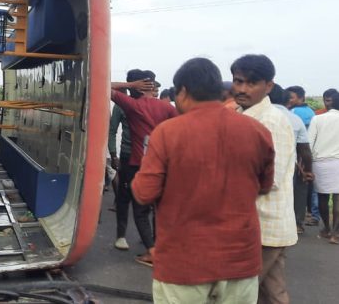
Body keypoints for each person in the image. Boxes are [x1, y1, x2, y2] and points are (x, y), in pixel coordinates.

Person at [132, 58, 274, 303]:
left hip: (184, 262)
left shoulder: (167, 132)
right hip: (239, 260)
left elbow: (144, 193)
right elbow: (264, 186)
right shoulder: (257, 131)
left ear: (183, 91)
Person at [231, 54, 297, 303]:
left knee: (237, 294)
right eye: (238, 81)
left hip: (263, 224)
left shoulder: (271, 121)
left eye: (251, 83)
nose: (242, 89)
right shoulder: (243, 114)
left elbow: (271, 179)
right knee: (272, 293)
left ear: (268, 86)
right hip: (261, 225)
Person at [110, 69, 179, 267]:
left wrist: (130, 86)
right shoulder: (167, 108)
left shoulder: (133, 105)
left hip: (138, 164)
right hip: (164, 164)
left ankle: (152, 252)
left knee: (140, 210)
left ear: (139, 86)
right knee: (160, 208)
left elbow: (101, 85)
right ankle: (161, 246)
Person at [308, 92, 339, 244]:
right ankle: (335, 234)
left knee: (322, 196)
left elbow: (309, 143)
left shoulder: (318, 119)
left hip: (320, 162)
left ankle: (326, 228)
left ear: (332, 103)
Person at [270, 84, 314, 235]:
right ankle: (297, 223)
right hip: (291, 163)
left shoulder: (254, 115)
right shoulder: (295, 119)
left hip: (264, 163)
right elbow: (304, 149)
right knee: (298, 191)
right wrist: (308, 170)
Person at [286, 85, 320, 226]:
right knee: (302, 189)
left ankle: (292, 221)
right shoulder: (312, 112)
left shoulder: (293, 113)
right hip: (306, 154)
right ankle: (300, 221)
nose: (289, 100)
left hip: (296, 154)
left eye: (291, 97)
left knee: (292, 189)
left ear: (301, 98)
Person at [108, 102, 132, 251]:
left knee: (142, 204)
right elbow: (112, 131)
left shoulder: (155, 105)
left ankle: (151, 241)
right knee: (124, 197)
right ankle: (121, 236)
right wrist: (113, 154)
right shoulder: (120, 106)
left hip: (146, 155)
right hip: (127, 155)